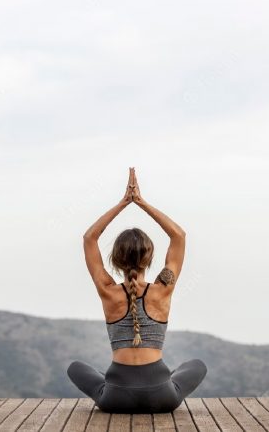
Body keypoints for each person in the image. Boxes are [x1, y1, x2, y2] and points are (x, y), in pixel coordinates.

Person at [67, 167, 207, 413]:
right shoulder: (163, 288)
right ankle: (161, 378)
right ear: (149, 257)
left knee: (76, 367)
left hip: (115, 398)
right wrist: (141, 202)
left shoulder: (107, 290)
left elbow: (90, 238)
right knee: (196, 365)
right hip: (162, 397)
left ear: (116, 259)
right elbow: (179, 236)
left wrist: (123, 203)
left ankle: (114, 381)